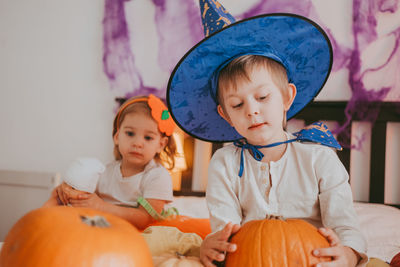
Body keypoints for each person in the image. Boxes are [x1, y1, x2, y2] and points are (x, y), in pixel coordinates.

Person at [166, 1, 368, 266]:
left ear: (287, 97)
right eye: (237, 105)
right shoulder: (223, 164)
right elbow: (226, 233)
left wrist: (350, 254)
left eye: (262, 96)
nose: (252, 110)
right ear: (225, 114)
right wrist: (214, 246)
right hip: (251, 257)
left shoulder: (319, 158)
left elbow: (346, 226)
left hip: (311, 258)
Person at [44, 94, 177, 230]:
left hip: (143, 231)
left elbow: (145, 219)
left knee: (156, 240)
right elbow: (84, 195)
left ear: (161, 144)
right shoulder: (104, 171)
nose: (137, 143)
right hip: (110, 227)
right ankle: (42, 222)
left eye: (148, 137)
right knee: (67, 217)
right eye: (130, 134)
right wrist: (68, 191)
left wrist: (100, 206)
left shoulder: (157, 177)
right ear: (117, 137)